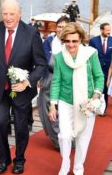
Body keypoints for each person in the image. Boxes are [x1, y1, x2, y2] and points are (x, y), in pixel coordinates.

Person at [0, 0, 47, 174]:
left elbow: (41, 65)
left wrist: (27, 82)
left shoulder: (31, 33)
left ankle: (19, 159)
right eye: (5, 14)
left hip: (22, 90)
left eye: (12, 14)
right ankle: (4, 157)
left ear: (20, 13)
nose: (8, 18)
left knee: (21, 126)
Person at [48, 22, 104, 175]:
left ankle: (78, 168)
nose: (71, 45)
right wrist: (53, 105)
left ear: (81, 40)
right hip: (65, 101)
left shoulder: (91, 54)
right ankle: (65, 165)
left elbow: (99, 76)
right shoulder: (59, 57)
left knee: (83, 139)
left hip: (86, 102)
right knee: (64, 136)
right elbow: (56, 81)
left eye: (75, 41)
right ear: (63, 40)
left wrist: (96, 95)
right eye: (67, 41)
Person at [37, 16, 69, 149]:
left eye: (64, 27)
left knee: (65, 110)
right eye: (59, 27)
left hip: (67, 81)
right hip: (49, 78)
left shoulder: (72, 41)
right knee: (48, 108)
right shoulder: (49, 41)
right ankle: (56, 140)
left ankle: (67, 137)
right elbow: (43, 61)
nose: (61, 29)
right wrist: (40, 78)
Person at [89, 23, 112, 115]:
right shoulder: (93, 41)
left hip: (108, 69)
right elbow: (90, 55)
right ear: (101, 30)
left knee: (105, 88)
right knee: (95, 87)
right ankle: (93, 105)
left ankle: (103, 109)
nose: (109, 32)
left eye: (110, 30)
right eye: (107, 30)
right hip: (96, 68)